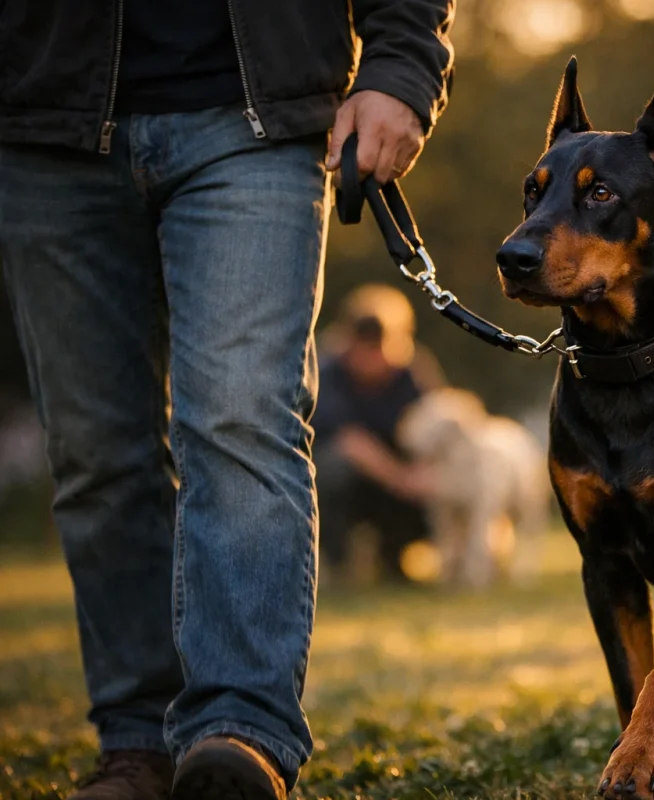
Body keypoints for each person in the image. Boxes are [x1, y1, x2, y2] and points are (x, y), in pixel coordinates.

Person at [0, 2, 454, 798]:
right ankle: (137, 744)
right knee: (95, 453)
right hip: (44, 127)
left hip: (253, 114)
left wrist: (400, 68)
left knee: (242, 419)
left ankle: (239, 733)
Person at [313, 285, 443, 583]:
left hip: (397, 479)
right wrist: (403, 479)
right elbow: (350, 443)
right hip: (353, 481)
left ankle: (396, 556)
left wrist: (425, 472)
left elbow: (435, 426)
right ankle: (338, 561)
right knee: (334, 470)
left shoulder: (410, 370)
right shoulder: (327, 371)